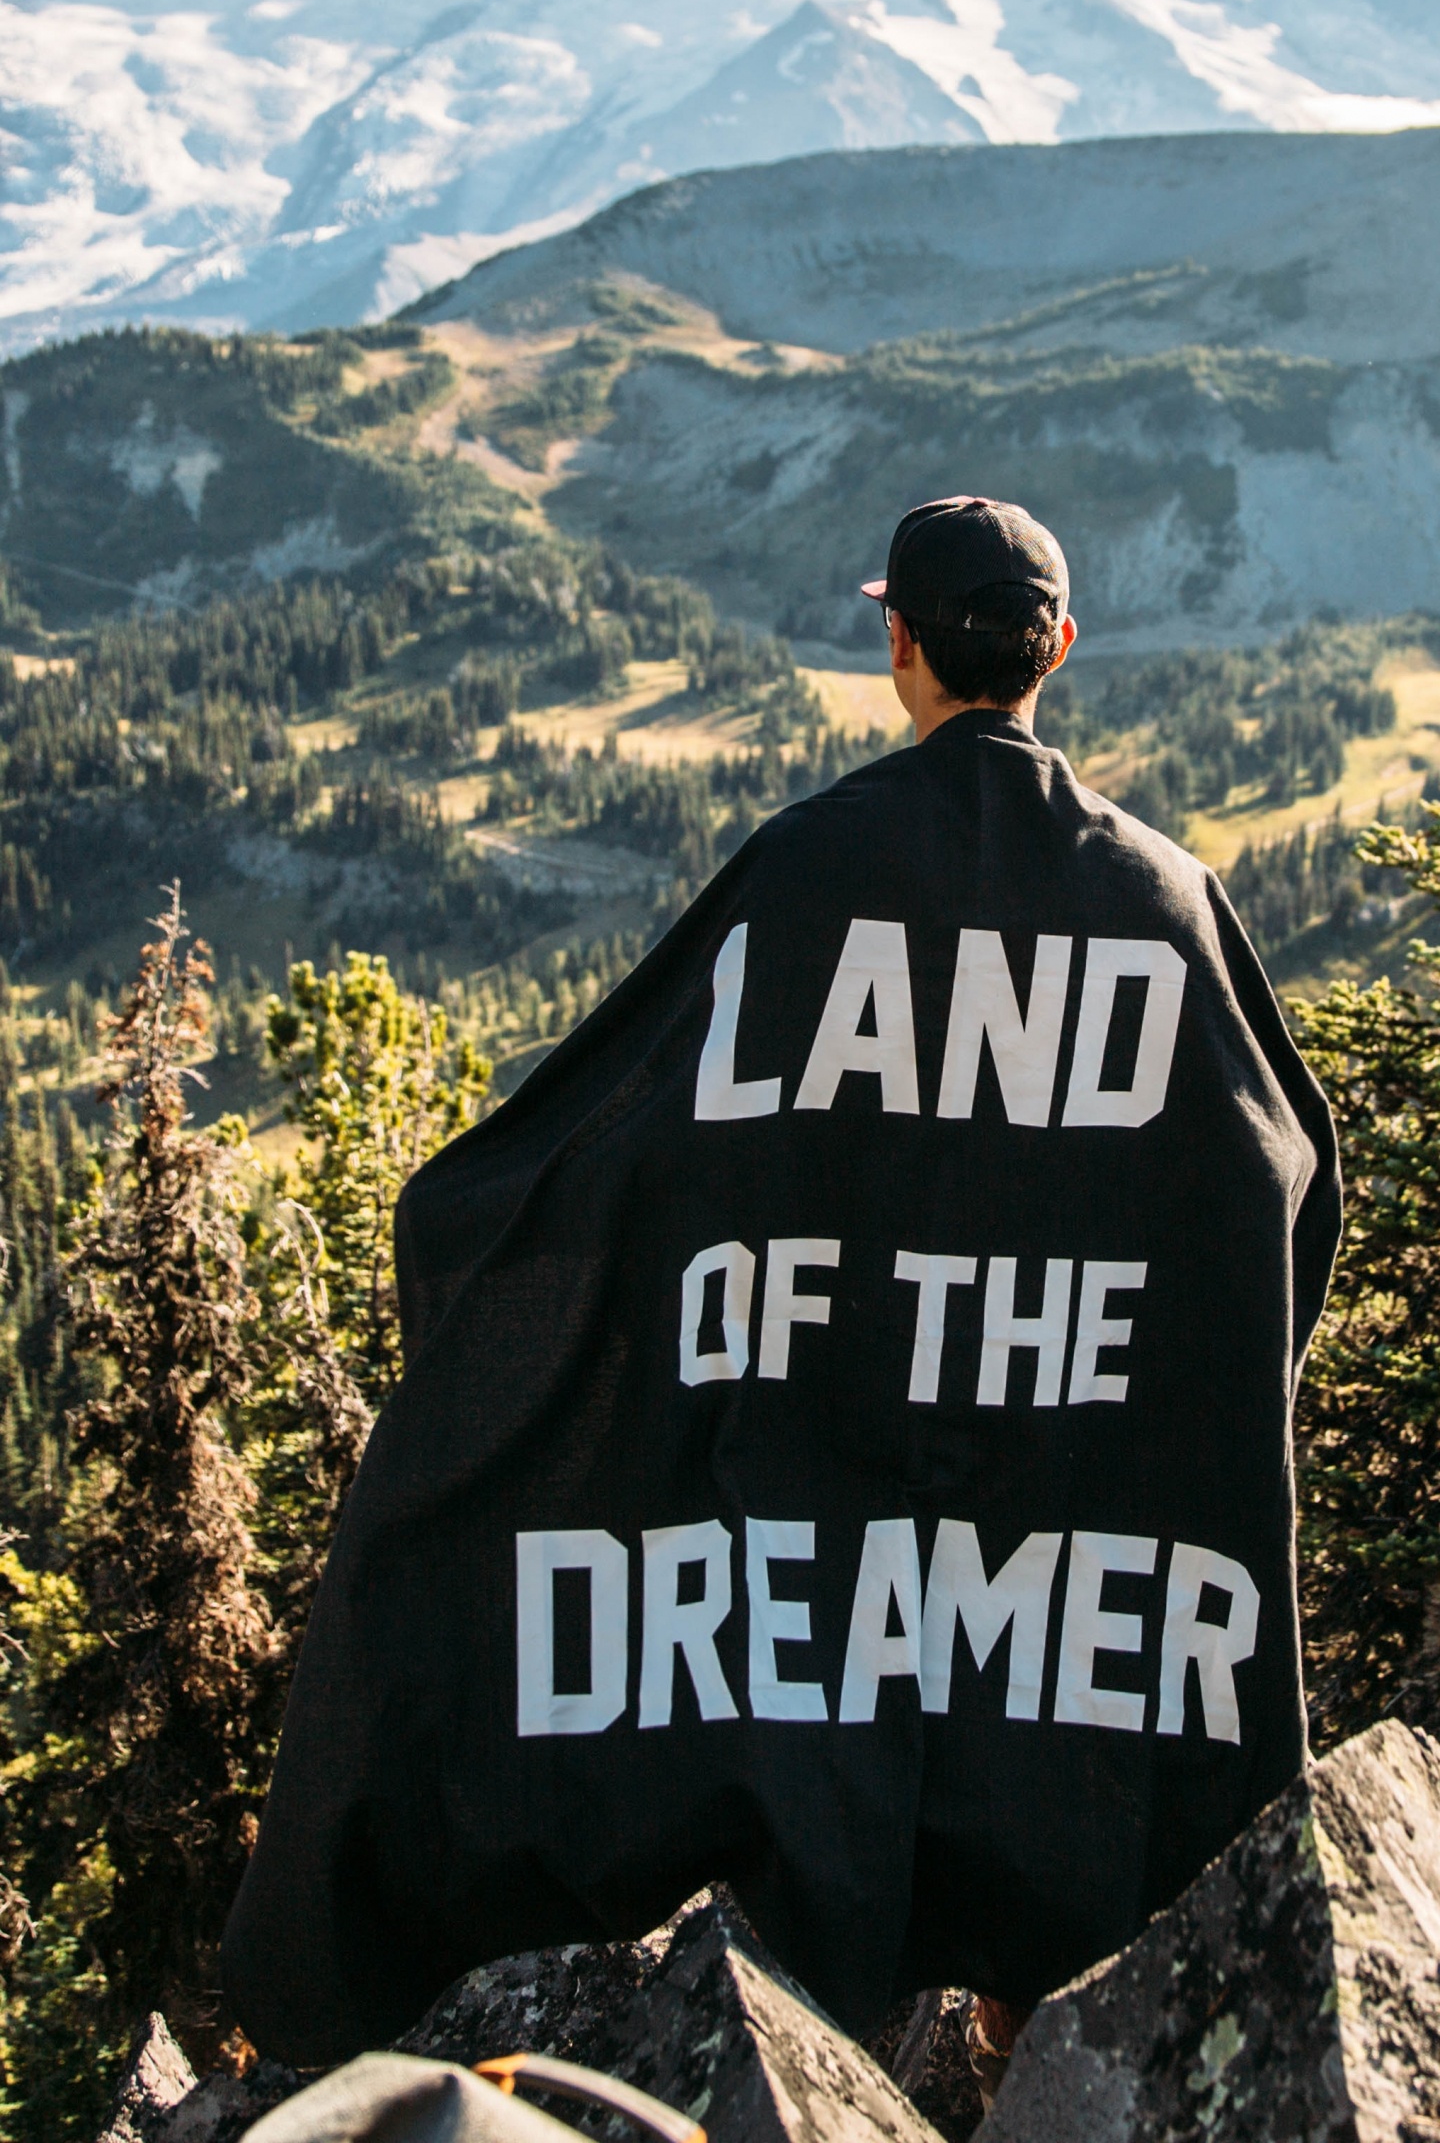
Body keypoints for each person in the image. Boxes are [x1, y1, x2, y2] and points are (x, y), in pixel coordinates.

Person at [223, 495, 1340, 2073]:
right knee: (1048, 1768)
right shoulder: (1165, 901)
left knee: (838, 1727)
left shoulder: (806, 872)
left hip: (830, 1497)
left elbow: (617, 1133)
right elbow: (1277, 1184)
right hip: (1065, 1509)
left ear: (899, 646)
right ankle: (1035, 2067)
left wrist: (478, 1253)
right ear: (1059, 650)